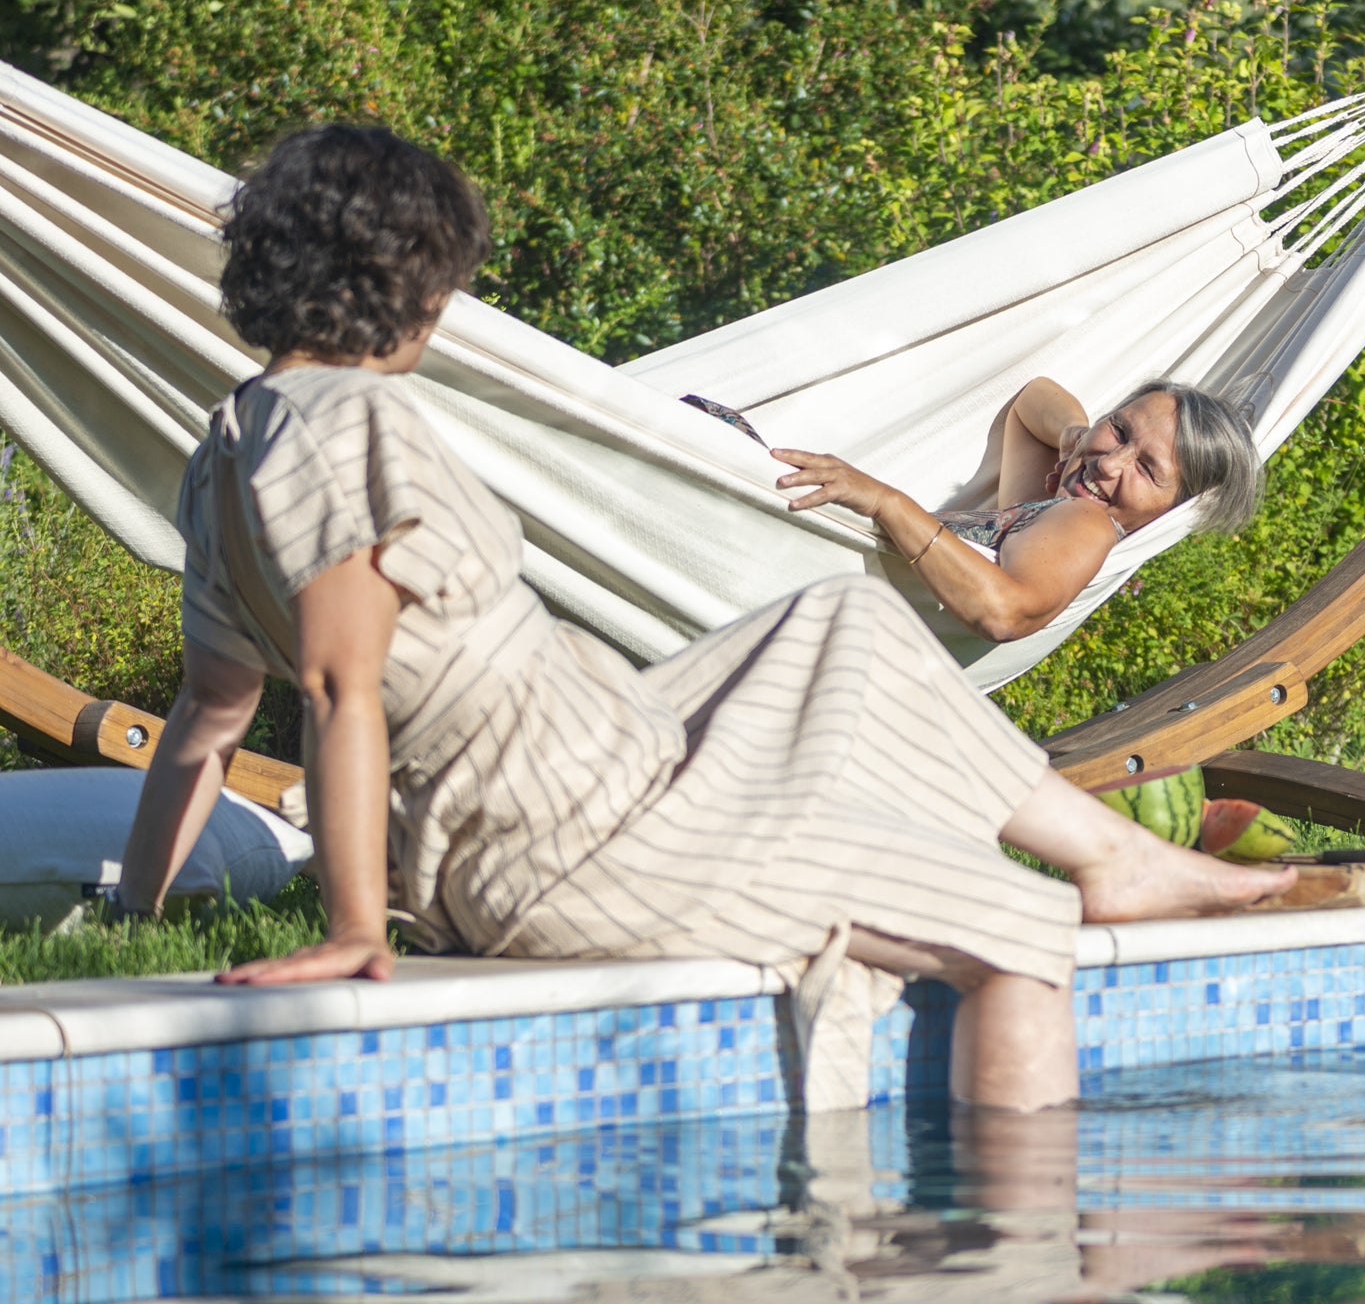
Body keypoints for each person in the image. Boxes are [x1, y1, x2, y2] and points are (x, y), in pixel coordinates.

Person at [114, 125, 1294, 1110]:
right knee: (1022, 928)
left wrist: (132, 917)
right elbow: (338, 689)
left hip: (567, 777)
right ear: (407, 282)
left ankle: (1113, 855)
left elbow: (208, 718)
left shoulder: (225, 454)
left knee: (850, 617)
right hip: (573, 830)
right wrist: (353, 929)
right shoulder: (351, 427)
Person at [767, 373, 1262, 644]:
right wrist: (1075, 435)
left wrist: (886, 501)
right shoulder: (1046, 514)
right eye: (1118, 429)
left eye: (1147, 470)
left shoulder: (1088, 522)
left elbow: (1005, 612)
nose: (1110, 463)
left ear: (1174, 509)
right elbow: (1032, 401)